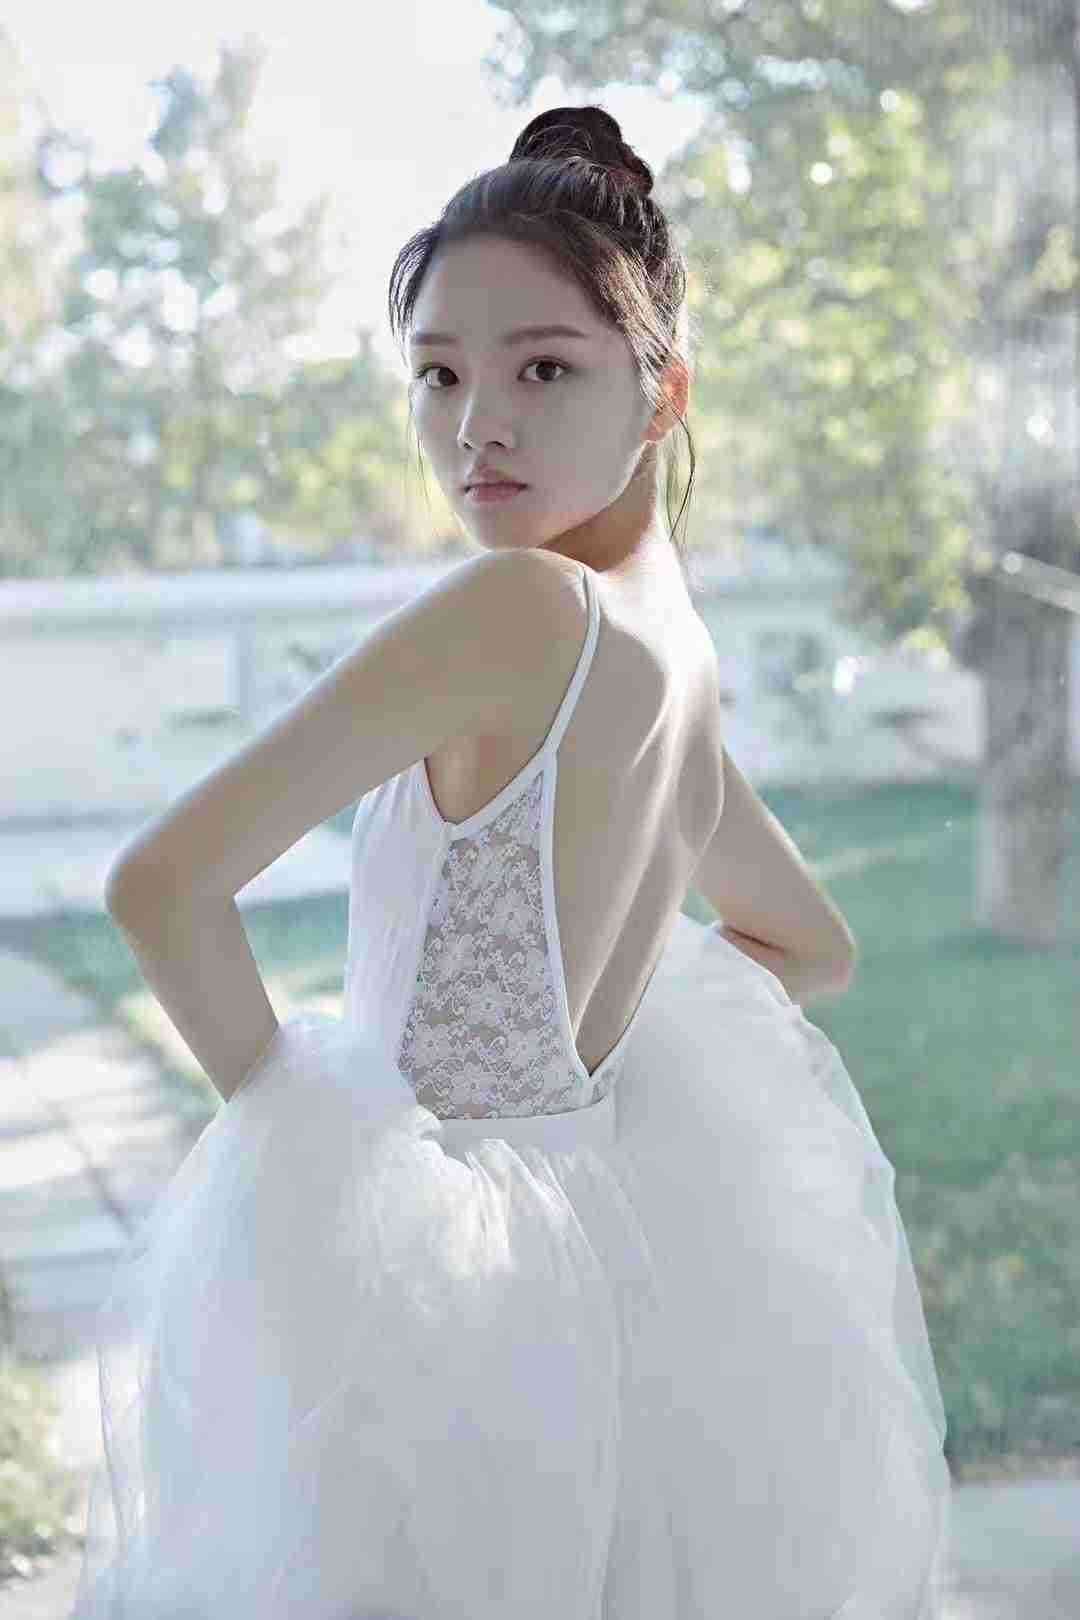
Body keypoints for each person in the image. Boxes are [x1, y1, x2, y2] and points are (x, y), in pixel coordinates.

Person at [69, 106, 951, 1618]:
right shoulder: (676, 645)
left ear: (663, 391)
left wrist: (311, 1148)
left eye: (544, 368)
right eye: (438, 372)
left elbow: (160, 887)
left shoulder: (519, 613)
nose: (478, 423)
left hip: (444, 1289)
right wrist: (578, 1067)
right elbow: (809, 946)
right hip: (611, 1277)